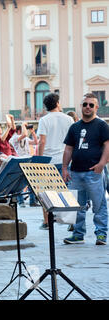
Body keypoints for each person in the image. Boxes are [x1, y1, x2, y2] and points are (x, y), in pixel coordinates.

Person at [62, 93, 109, 245]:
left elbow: (107, 145)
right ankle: (78, 234)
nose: (87, 107)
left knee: (99, 204)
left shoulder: (102, 125)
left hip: (93, 172)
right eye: (85, 104)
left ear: (96, 107)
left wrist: (102, 163)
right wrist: (64, 168)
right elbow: (69, 148)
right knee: (77, 206)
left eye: (91, 105)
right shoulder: (74, 127)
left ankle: (101, 234)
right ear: (81, 107)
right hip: (75, 172)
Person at [37, 93, 74, 229]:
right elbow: (72, 142)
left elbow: (42, 142)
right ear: (57, 103)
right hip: (65, 160)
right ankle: (71, 222)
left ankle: (47, 221)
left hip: (48, 161)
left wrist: (40, 160)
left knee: (46, 193)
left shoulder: (44, 120)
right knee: (67, 192)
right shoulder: (69, 119)